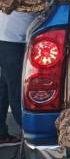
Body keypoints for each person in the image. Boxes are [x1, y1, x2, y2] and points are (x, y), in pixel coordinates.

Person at [0, 10, 37, 144]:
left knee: (4, 88)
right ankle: (29, 135)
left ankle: (1, 134)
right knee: (16, 89)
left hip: (8, 38)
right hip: (12, 40)